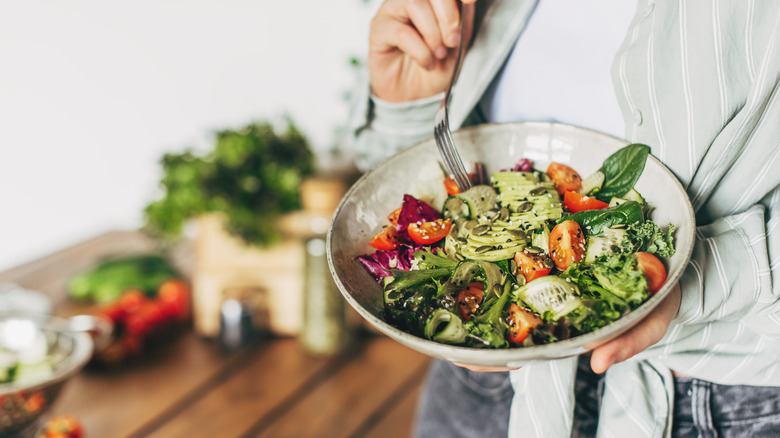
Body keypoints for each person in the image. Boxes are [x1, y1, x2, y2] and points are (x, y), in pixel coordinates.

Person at [346, 0, 780, 437]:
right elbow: (404, 191)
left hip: (718, 401)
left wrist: (701, 275)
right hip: (485, 379)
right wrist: (414, 102)